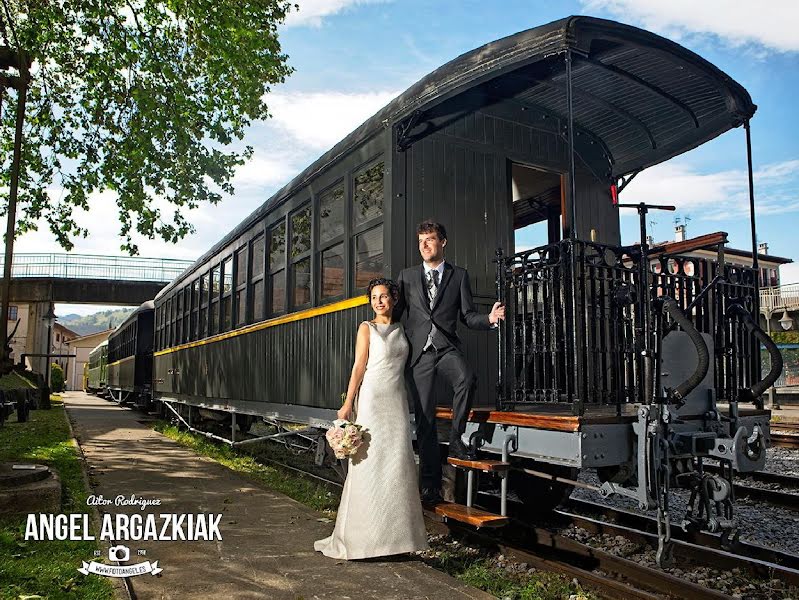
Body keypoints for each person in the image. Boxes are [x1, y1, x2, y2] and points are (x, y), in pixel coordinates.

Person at [314, 278, 428, 560]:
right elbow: (358, 367)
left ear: (394, 299)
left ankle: (398, 540)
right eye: (374, 297)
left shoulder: (404, 329)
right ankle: (363, 540)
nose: (379, 301)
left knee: (397, 465)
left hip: (397, 403)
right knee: (369, 465)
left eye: (384, 296)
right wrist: (348, 403)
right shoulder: (366, 328)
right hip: (372, 402)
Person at [395, 221, 505, 506]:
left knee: (466, 379)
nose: (424, 245)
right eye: (421, 241)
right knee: (426, 421)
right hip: (419, 353)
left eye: (430, 239)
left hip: (445, 347)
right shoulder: (406, 277)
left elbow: (468, 316)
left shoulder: (459, 276)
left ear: (443, 242)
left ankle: (457, 438)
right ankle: (429, 486)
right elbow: (397, 314)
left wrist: (490, 320)